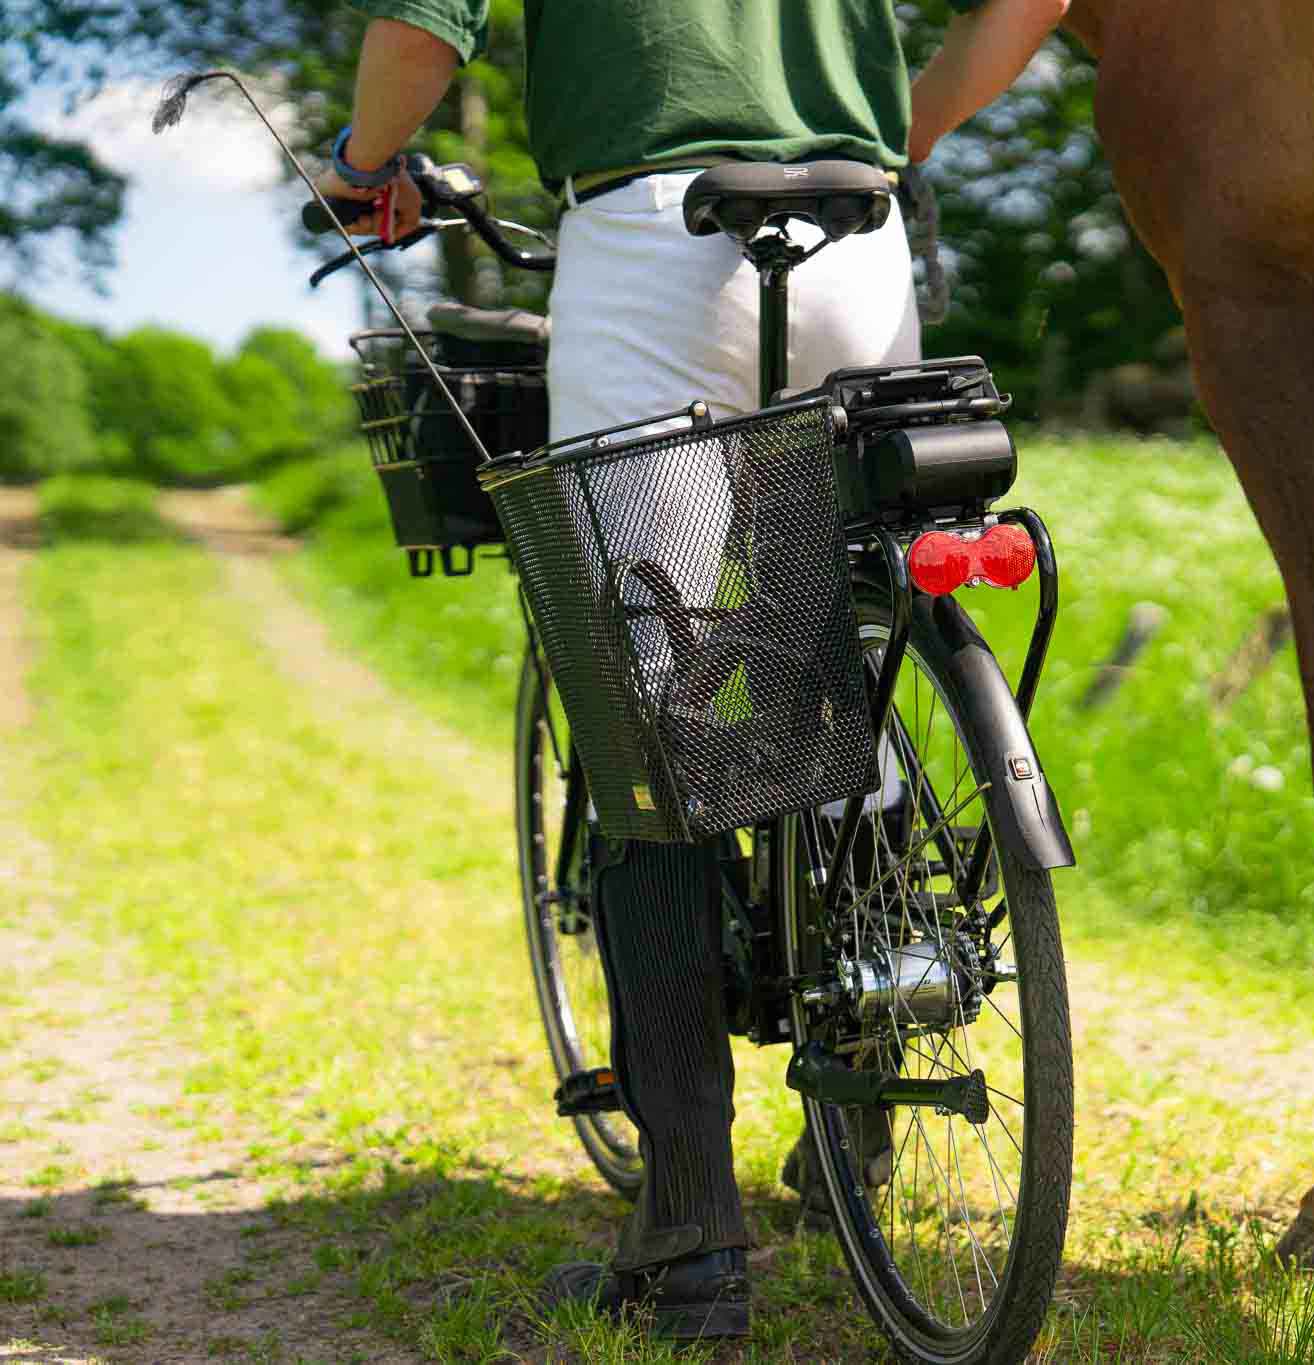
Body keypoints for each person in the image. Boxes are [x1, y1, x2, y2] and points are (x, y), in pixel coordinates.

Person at [317, 0, 1068, 1341]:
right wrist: (894, 134)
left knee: (648, 721)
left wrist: (366, 168)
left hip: (658, 246)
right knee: (830, 638)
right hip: (860, 234)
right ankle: (865, 1112)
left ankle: (688, 1237)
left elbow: (419, 27)